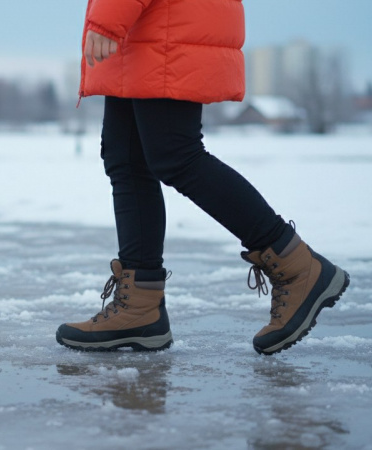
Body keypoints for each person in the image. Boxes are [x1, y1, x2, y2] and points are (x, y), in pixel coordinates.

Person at [55, 0, 350, 355]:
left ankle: (296, 266)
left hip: (167, 24)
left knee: (175, 155)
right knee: (127, 160)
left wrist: (107, 18)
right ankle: (140, 306)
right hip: (146, 28)